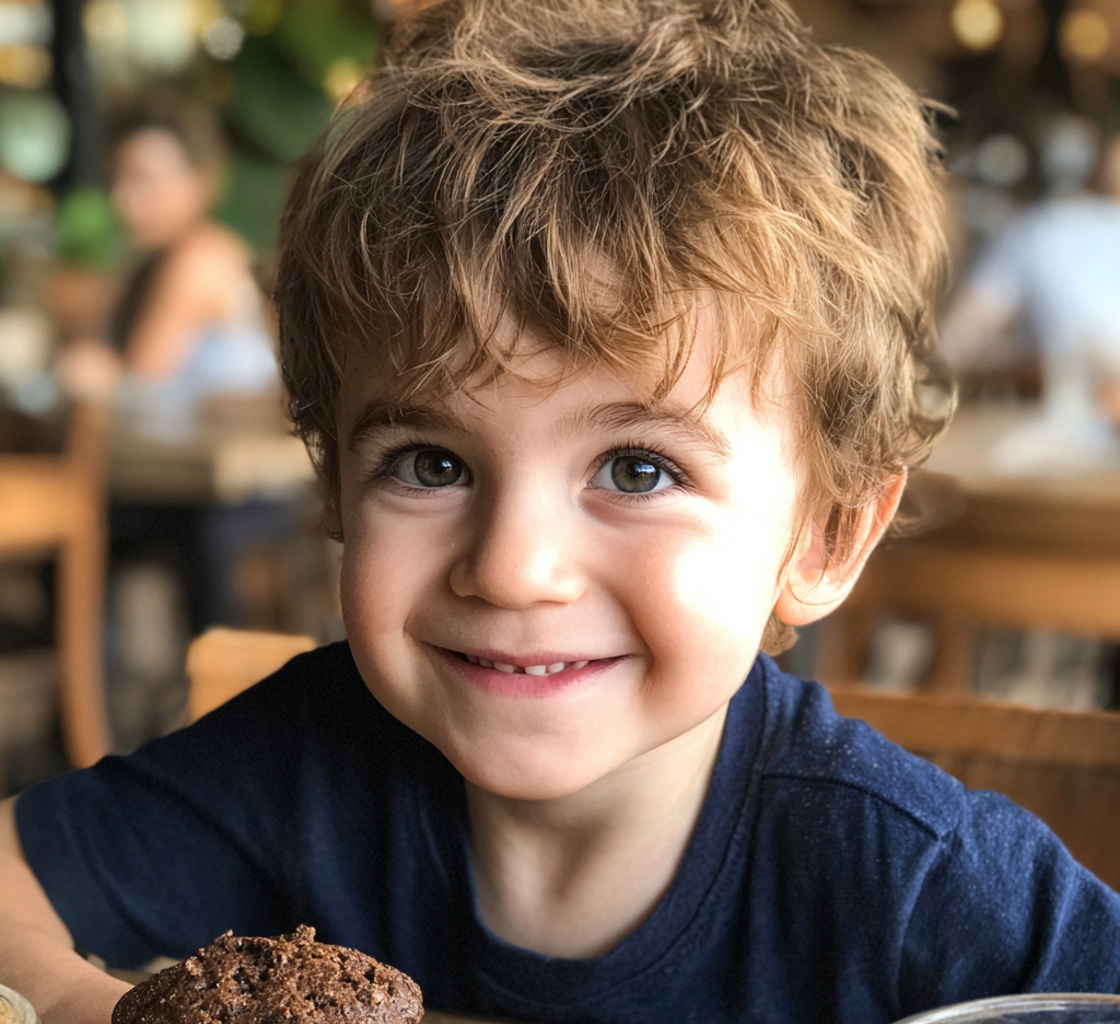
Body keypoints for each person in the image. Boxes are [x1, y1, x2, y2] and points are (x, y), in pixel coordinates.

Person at [2, 2, 1119, 1022]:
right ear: (336, 488)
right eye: (431, 463)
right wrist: (91, 1006)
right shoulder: (306, 762)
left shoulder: (919, 878)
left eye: (636, 471)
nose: (511, 567)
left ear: (823, 537)